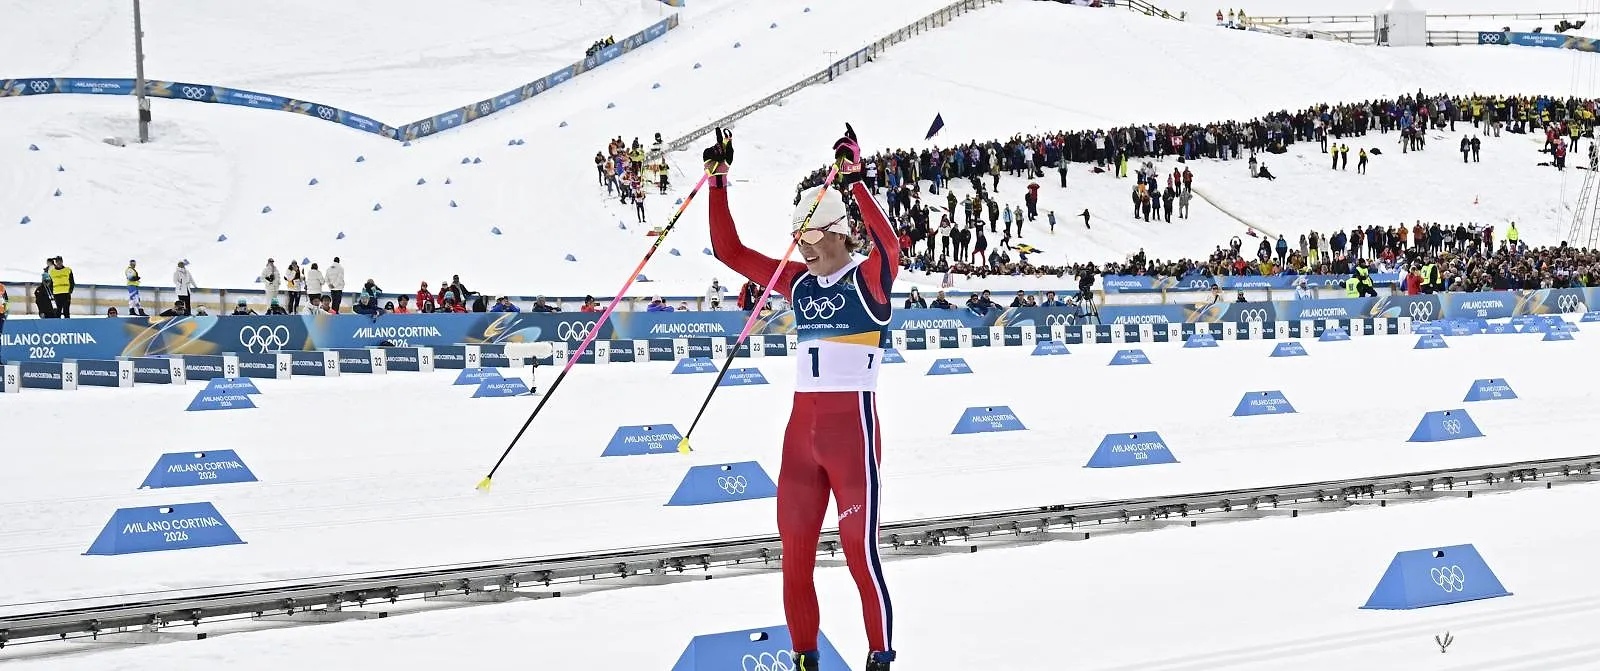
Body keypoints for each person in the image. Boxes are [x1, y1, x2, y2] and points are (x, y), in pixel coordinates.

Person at [705, 124, 898, 671]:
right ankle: (806, 659)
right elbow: (729, 250)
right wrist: (718, 181)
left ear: (839, 234)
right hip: (800, 443)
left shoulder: (871, 280)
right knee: (794, 563)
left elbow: (889, 243)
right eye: (800, 240)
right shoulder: (799, 284)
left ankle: (881, 658)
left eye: (814, 240)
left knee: (861, 558)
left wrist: (855, 180)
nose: (805, 250)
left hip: (851, 439)